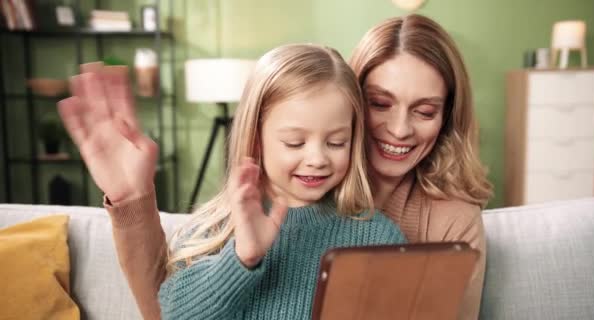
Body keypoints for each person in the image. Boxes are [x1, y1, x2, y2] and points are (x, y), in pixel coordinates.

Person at [60, 13, 492, 320]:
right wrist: (242, 257)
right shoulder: (221, 226)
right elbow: (169, 311)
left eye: (336, 141)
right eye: (381, 103)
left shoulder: (381, 233)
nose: (318, 157)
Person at [349, 14, 493, 319]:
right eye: (380, 104)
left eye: (424, 111)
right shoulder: (307, 188)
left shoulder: (456, 222)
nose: (400, 130)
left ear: (446, 119)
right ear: (350, 100)